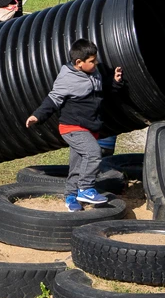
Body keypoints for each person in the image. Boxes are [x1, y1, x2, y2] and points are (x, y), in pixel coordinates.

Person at [25, 39, 125, 211]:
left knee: (77, 165)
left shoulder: (94, 73)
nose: (96, 63)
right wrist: (37, 116)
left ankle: (71, 197)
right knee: (93, 153)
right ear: (79, 63)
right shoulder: (67, 79)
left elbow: (100, 91)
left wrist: (114, 82)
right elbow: (53, 99)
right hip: (72, 127)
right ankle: (85, 188)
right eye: (92, 61)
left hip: (89, 127)